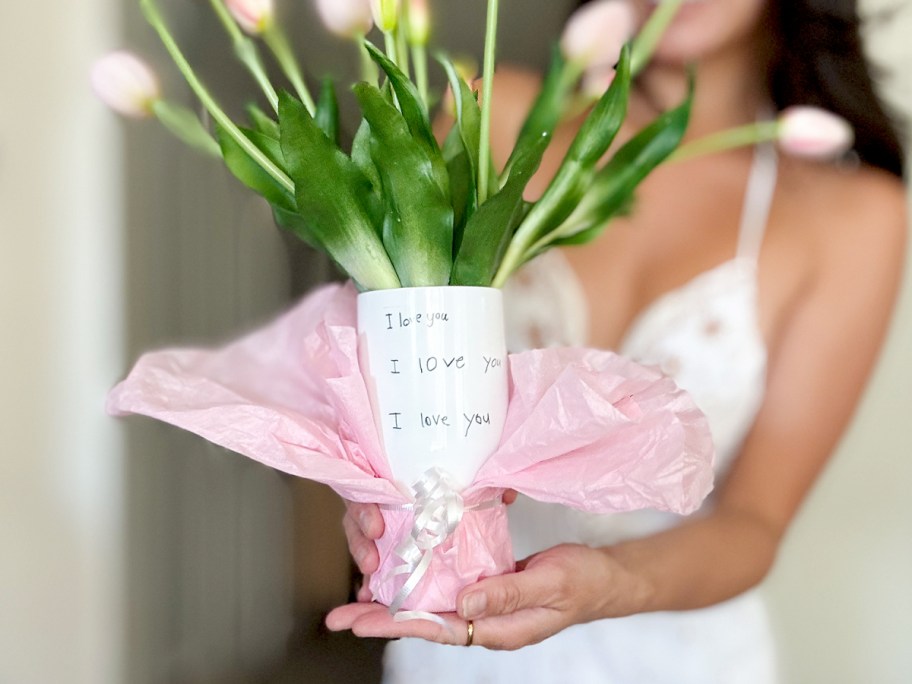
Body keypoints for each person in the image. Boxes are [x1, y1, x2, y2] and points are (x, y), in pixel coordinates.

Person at [327, 0, 907, 681]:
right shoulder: (494, 118)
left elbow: (753, 523)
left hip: (680, 654)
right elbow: (391, 365)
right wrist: (373, 491)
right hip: (456, 632)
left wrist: (605, 583)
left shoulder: (854, 217)